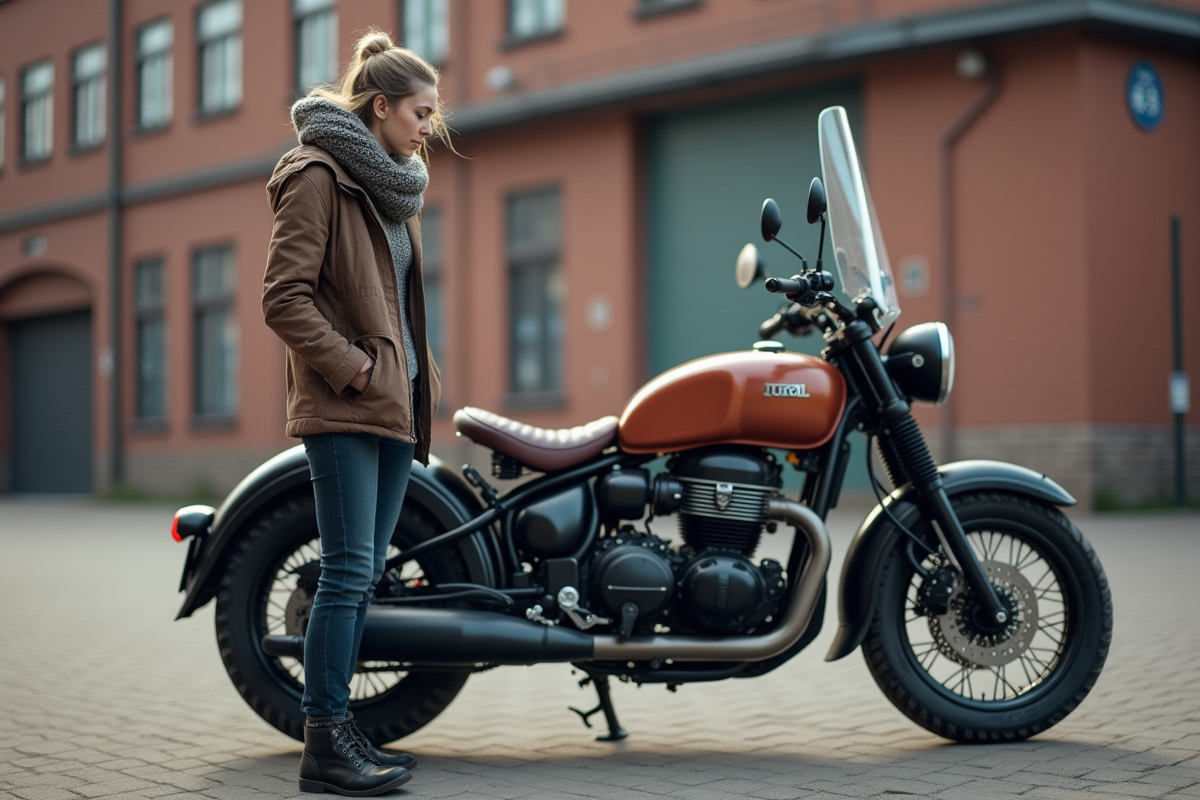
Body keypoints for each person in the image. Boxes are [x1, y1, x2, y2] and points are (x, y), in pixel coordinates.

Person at [262, 27, 448, 797]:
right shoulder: (316, 176)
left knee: (363, 571)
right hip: (348, 404)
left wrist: (401, 378)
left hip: (393, 409)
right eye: (421, 112)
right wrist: (353, 365)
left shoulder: (386, 188)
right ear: (380, 108)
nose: (429, 127)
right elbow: (283, 297)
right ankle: (326, 742)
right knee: (344, 573)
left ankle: (337, 730)